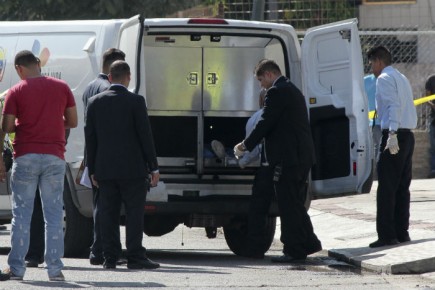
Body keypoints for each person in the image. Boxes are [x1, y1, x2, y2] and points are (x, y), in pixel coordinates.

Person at [0, 50, 77, 281]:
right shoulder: (62, 87)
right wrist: (53, 120)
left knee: (21, 214)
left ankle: (16, 268)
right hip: (55, 156)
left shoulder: (16, 91)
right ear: (37, 64)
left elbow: (7, 126)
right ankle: (55, 270)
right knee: (53, 215)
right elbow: (72, 121)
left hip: (25, 156)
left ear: (18, 69)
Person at [234, 59, 322, 262]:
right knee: (294, 203)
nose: (261, 85)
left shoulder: (277, 91)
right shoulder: (291, 89)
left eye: (261, 79)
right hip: (299, 157)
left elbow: (265, 123)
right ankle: (308, 242)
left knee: (288, 205)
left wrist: (245, 145)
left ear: (270, 74)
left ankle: (295, 250)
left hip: (289, 159)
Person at [85, 60, 160, 270]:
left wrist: (92, 170)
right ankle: (135, 256)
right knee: (134, 213)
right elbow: (146, 137)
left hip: (105, 170)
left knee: (108, 214)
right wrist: (153, 167)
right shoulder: (136, 101)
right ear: (128, 78)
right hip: (133, 169)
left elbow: (91, 139)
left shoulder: (94, 102)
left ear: (109, 78)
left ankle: (110, 258)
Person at [366, 46, 417, 248]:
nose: (371, 68)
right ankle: (401, 232)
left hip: (395, 136)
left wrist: (392, 133)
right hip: (408, 136)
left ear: (379, 61)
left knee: (386, 188)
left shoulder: (384, 79)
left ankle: (387, 235)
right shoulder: (401, 77)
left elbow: (393, 105)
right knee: (402, 187)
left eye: (371, 63)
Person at [82, 48, 126, 266]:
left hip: (95, 157)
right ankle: (103, 250)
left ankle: (97, 249)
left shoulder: (89, 87)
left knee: (100, 206)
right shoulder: (108, 89)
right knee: (109, 209)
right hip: (108, 160)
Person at [364, 74, 382, 164]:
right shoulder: (365, 81)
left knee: (380, 147)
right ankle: (381, 170)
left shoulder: (388, 79)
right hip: (375, 122)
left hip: (386, 121)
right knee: (379, 147)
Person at [425, 75, 435, 178]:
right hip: (433, 118)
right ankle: (433, 169)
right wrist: (433, 105)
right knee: (433, 146)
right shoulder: (431, 80)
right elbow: (427, 98)